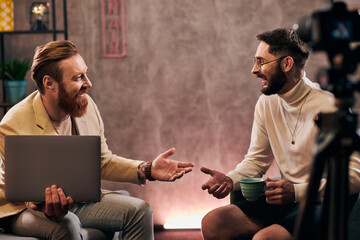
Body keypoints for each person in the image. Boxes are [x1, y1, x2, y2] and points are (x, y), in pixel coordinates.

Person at [0, 40, 195, 240]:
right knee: (67, 224)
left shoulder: (85, 105)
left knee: (140, 211)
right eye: (78, 77)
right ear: (49, 83)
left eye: (85, 74)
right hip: (23, 209)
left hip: (76, 201)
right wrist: (47, 208)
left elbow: (102, 161)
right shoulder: (13, 125)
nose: (88, 83)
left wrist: (148, 169)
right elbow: (23, 193)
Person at [200, 28, 360, 240]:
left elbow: (356, 175)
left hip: (325, 201)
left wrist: (296, 192)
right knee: (214, 223)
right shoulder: (267, 103)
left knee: (264, 239)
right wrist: (230, 179)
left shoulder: (329, 106)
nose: (254, 70)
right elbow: (257, 160)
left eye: (261, 62)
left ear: (286, 64)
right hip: (287, 201)